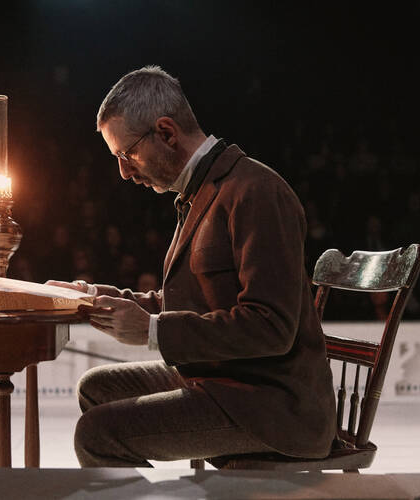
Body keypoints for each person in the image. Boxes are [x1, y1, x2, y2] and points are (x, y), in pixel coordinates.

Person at [48, 66, 335, 467]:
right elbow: (195, 301)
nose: (124, 173)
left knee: (98, 434)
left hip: (271, 405)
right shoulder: (202, 192)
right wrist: (100, 298)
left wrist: (152, 331)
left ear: (166, 132)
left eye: (126, 154)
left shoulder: (255, 191)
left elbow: (271, 327)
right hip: (224, 382)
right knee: (96, 388)